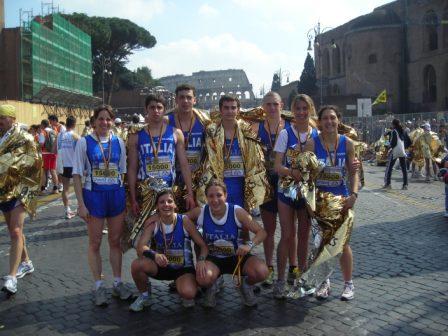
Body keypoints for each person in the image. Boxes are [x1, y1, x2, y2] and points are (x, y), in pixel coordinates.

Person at [73, 104, 132, 306]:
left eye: (108, 119)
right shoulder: (84, 142)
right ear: (94, 121)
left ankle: (117, 282)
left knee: (115, 241)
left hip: (115, 195)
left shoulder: (119, 142)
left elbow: (122, 171)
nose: (105, 123)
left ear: (112, 121)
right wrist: (80, 204)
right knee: (95, 242)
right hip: (94, 196)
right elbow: (77, 174)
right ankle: (98, 285)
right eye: (101, 119)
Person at [187, 180, 268, 307]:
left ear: (226, 195)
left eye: (219, 195)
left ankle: (245, 285)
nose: (215, 200)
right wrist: (154, 219)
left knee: (262, 272)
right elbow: (178, 219)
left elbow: (262, 232)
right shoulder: (201, 212)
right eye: (211, 196)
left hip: (237, 257)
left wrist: (249, 245)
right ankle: (212, 285)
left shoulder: (237, 212)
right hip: (213, 259)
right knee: (203, 277)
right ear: (206, 197)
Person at [308, 105, 358, 301]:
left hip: (342, 200)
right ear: (319, 122)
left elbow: (354, 172)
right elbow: (307, 179)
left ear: (338, 120)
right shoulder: (312, 144)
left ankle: (348, 284)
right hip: (320, 201)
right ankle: (324, 282)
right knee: (320, 244)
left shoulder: (347, 143)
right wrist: (309, 203)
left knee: (343, 244)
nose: (329, 122)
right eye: (325, 119)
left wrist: (354, 195)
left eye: (332, 118)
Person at [129, 189, 208, 311]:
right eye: (162, 202)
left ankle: (183, 283)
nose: (166, 204)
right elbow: (141, 247)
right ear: (157, 206)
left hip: (183, 268)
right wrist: (154, 255)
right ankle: (144, 296)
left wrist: (201, 260)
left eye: (170, 201)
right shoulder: (153, 223)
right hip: (162, 266)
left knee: (188, 294)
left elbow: (202, 245)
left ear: (175, 205)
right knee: (136, 265)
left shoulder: (184, 221)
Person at [272, 94, 318, 299]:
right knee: (288, 235)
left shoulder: (315, 134)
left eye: (304, 108)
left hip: (306, 192)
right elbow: (277, 166)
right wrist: (293, 173)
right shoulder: (285, 134)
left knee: (304, 237)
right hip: (286, 190)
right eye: (297, 109)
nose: (301, 112)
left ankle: (302, 276)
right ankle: (280, 280)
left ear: (310, 110)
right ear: (293, 110)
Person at [196, 95, 269, 212]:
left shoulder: (248, 131)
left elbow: (255, 159)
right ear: (220, 110)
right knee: (221, 219)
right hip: (220, 185)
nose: (230, 111)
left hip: (242, 184)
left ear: (238, 110)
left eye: (233, 108)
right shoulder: (211, 132)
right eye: (226, 108)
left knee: (244, 221)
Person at [250, 91, 293, 286]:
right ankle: (268, 266)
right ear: (263, 107)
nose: (272, 108)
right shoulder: (255, 128)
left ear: (281, 105)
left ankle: (293, 266)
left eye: (275, 104)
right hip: (265, 184)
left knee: (288, 230)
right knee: (269, 229)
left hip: (287, 183)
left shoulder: (291, 127)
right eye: (268, 104)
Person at [127, 94, 195, 218]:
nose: (156, 111)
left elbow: (184, 165)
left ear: (164, 110)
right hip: (146, 192)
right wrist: (133, 198)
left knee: (169, 228)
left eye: (159, 107)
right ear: (146, 109)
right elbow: (132, 168)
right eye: (152, 107)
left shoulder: (176, 133)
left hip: (169, 191)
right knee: (148, 229)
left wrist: (190, 193)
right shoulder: (136, 136)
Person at [0, 105, 41, 294]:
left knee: (16, 231)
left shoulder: (25, 138)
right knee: (13, 230)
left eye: (2, 117)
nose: (0, 121)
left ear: (12, 118)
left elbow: (35, 160)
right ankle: (26, 262)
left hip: (19, 190)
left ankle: (12, 277)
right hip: (2, 191)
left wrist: (12, 165)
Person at [166, 84, 210, 209]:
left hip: (198, 177)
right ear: (176, 100)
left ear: (194, 100)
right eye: (182, 97)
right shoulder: (167, 121)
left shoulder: (204, 122)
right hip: (173, 176)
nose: (185, 101)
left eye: (189, 97)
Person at [57, 115, 79, 219]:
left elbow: (53, 149)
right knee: (78, 187)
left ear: (66, 124)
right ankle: (80, 208)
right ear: (74, 124)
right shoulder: (75, 136)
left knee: (65, 189)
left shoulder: (60, 135)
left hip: (63, 165)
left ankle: (67, 210)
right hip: (74, 165)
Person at [383, 119, 408, 190]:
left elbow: (393, 142)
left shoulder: (394, 131)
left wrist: (388, 147)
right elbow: (405, 140)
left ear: (394, 124)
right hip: (402, 151)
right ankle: (405, 184)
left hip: (395, 151)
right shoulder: (403, 131)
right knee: (404, 168)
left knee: (390, 167)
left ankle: (388, 184)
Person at [39, 119, 59, 194]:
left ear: (42, 125)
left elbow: (41, 143)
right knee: (53, 170)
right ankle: (55, 188)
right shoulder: (54, 131)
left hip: (46, 153)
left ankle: (43, 189)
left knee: (45, 171)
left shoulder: (43, 132)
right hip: (54, 152)